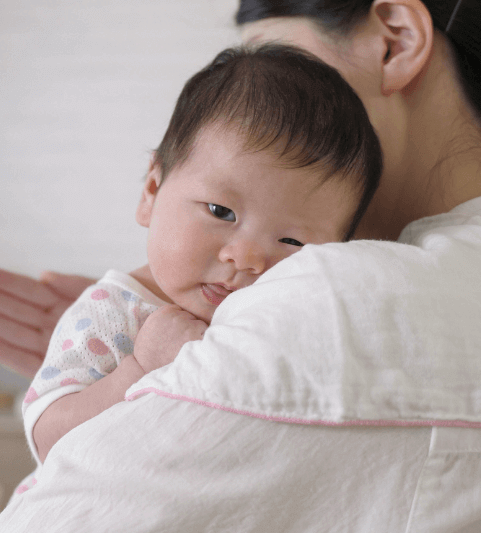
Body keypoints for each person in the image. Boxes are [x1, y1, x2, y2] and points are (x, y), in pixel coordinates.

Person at [0, 0, 481, 530]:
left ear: (394, 38)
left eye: (287, 70)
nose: (244, 256)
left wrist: (154, 388)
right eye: (220, 210)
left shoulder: (337, 301)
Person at [20, 45, 382, 474]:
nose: (246, 258)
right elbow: (47, 440)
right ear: (151, 193)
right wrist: (140, 367)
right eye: (220, 212)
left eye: (291, 239)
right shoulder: (113, 313)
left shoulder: (284, 324)